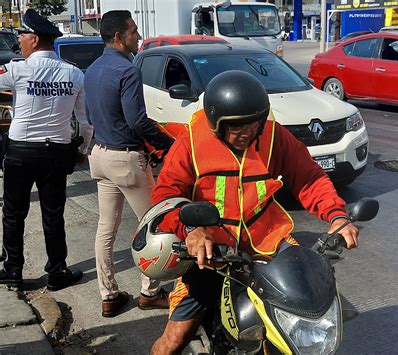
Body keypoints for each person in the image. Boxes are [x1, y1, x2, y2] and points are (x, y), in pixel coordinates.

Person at [149, 70, 359, 354]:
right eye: (236, 127)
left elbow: (309, 178)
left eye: (253, 124)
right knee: (174, 340)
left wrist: (336, 215)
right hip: (213, 255)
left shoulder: (274, 137)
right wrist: (191, 230)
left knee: (308, 315)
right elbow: (166, 195)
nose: (246, 133)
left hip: (268, 249)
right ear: (217, 124)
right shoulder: (191, 143)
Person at [84, 10, 174, 318]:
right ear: (119, 37)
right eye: (134, 31)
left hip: (100, 155)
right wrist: (167, 143)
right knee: (153, 224)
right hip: (125, 157)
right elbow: (137, 120)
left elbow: (92, 114)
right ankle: (150, 292)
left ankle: (108, 295)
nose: (138, 36)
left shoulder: (93, 68)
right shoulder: (128, 70)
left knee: (105, 228)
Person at [0, 9, 93, 290]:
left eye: (22, 35)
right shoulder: (74, 74)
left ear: (35, 39)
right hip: (56, 152)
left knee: (14, 213)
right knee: (53, 214)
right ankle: (56, 272)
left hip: (20, 151)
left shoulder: (16, 69)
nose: (18, 41)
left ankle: (13, 270)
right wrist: (83, 150)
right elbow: (86, 122)